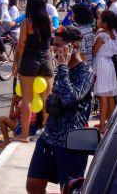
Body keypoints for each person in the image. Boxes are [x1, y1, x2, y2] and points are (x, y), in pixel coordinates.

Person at [25, 25, 93, 194]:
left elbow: (70, 98)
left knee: (69, 189)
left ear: (73, 46)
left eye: (58, 45)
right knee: (33, 185)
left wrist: (62, 67)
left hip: (72, 140)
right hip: (49, 136)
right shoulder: (59, 68)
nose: (55, 49)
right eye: (53, 45)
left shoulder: (86, 71)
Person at [12, 0, 55, 143]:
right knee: (47, 100)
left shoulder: (27, 22)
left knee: (27, 99)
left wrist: (15, 63)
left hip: (30, 60)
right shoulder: (48, 19)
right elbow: (48, 41)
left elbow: (21, 44)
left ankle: (24, 135)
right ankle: (48, 133)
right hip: (46, 60)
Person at [93, 9, 117, 134]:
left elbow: (95, 51)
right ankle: (110, 122)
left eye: (99, 18)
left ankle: (102, 124)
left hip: (101, 64)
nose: (97, 20)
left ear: (105, 23)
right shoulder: (113, 34)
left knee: (102, 96)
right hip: (109, 64)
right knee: (109, 95)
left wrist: (96, 36)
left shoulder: (102, 36)